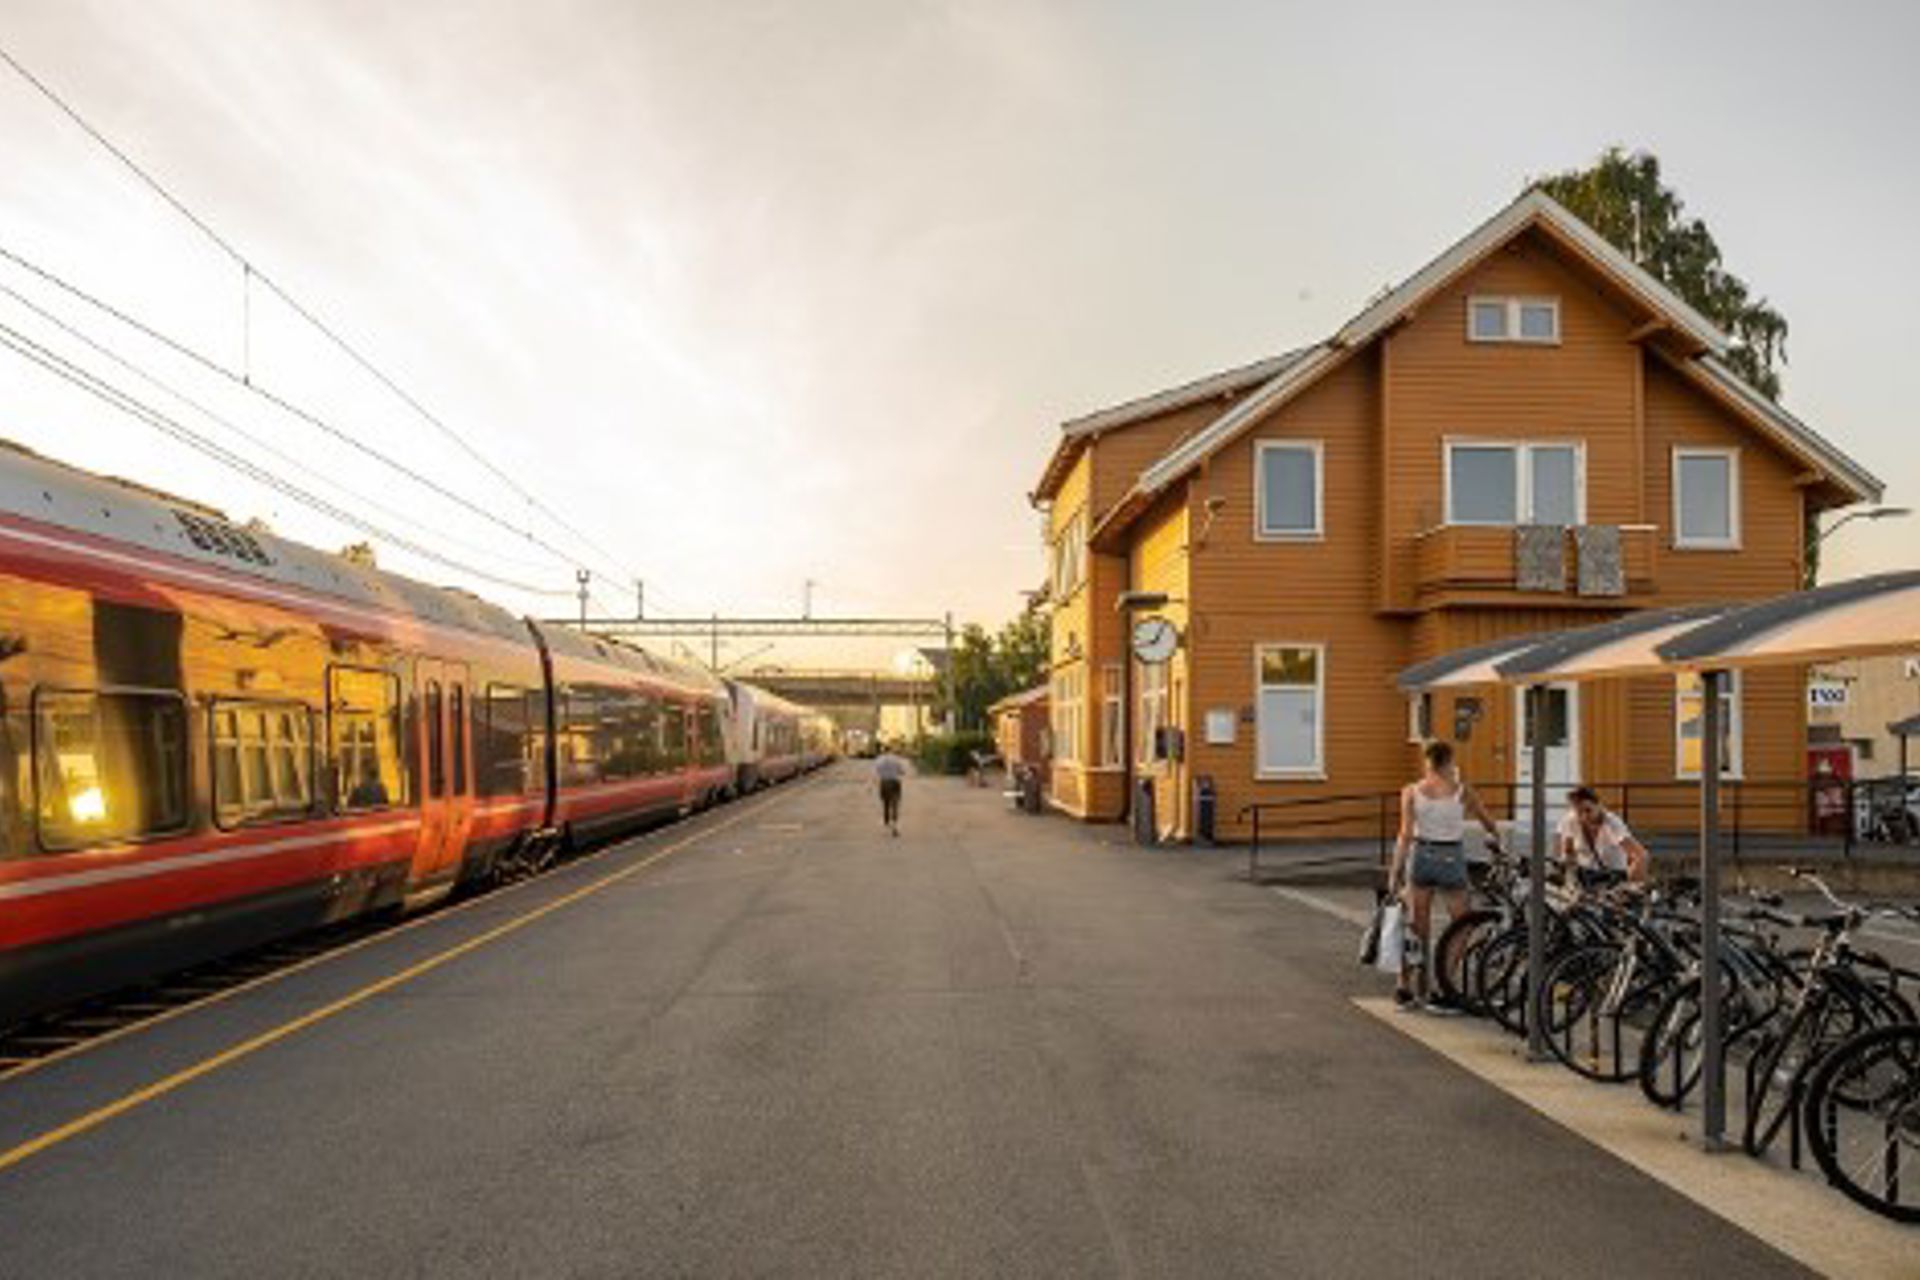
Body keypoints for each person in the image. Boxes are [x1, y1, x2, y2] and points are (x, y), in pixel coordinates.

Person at [1388, 740, 1500, 1011]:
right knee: (1462, 924)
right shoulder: (1462, 791)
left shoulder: (1411, 791)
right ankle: (1444, 983)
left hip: (1421, 855)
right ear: (1449, 761)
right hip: (1451, 857)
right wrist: (1493, 841)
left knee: (1417, 927)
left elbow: (1404, 834)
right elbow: (1490, 824)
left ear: (1427, 761)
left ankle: (1405, 986)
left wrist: (1395, 873)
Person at [1557, 785, 1649, 883]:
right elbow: (1568, 851)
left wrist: (1632, 883)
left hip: (1613, 877)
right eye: (1579, 812)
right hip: (1585, 876)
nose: (1584, 817)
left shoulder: (1613, 824)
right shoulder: (1570, 820)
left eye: (1588, 810)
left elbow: (1641, 854)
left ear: (1599, 805)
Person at [873, 745, 907, 836]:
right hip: (895, 783)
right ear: (891, 750)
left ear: (883, 751)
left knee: (886, 803)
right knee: (895, 804)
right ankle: (895, 825)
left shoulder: (879, 760)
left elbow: (877, 772)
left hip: (884, 783)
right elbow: (902, 771)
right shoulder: (896, 759)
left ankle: (886, 820)